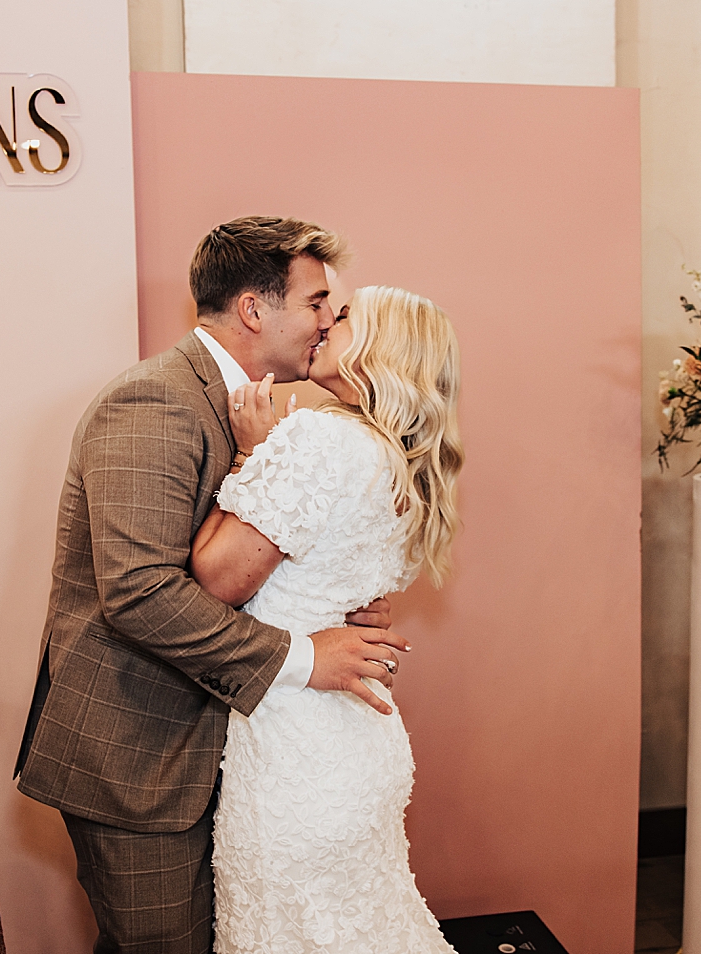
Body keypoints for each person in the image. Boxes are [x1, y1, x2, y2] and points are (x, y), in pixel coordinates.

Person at [14, 217, 411, 954]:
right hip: (142, 754)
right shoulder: (154, 400)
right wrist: (305, 656)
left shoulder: (268, 411)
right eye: (316, 302)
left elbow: (251, 556)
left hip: (226, 750)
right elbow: (139, 593)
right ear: (255, 310)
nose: (330, 321)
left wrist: (339, 595)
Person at [190, 284, 464, 953]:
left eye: (342, 318)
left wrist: (253, 454)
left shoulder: (318, 436)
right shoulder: (404, 460)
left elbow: (217, 579)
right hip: (359, 739)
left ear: (378, 350)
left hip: (293, 752)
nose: (322, 325)